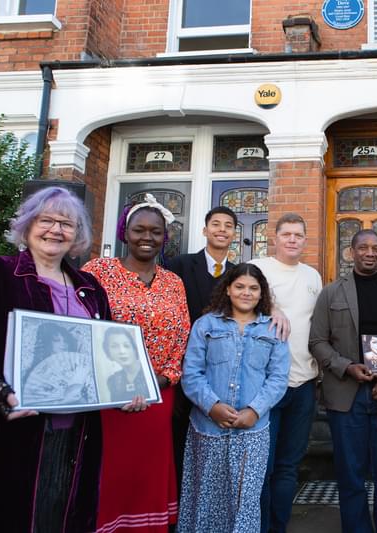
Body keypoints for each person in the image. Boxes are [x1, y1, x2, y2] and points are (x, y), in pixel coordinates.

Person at [0, 186, 111, 532]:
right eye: (46, 220)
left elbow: (104, 354)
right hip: (12, 429)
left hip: (78, 432)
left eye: (66, 223)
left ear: (77, 234)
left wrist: (123, 386)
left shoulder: (90, 287)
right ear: (27, 224)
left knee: (62, 513)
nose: (55, 230)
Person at [83, 194, 190, 533]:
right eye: (139, 230)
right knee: (111, 468)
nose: (147, 237)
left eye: (155, 232)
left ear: (164, 237)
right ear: (124, 233)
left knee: (147, 469)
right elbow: (80, 326)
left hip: (157, 393)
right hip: (108, 394)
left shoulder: (174, 283)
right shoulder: (98, 271)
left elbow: (183, 334)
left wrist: (165, 377)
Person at [309, 229, 377, 533]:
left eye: (376, 248)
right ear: (351, 252)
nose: (370, 253)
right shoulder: (331, 292)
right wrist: (347, 367)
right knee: (351, 476)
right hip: (347, 393)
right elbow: (317, 341)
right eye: (364, 248)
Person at [178, 263, 290, 532]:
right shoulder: (206, 325)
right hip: (208, 429)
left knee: (245, 501)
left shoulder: (273, 329)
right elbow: (191, 373)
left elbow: (277, 378)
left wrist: (254, 410)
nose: (246, 293)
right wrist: (212, 406)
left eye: (253, 288)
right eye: (239, 286)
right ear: (227, 289)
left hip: (253, 431)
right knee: (205, 498)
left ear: (262, 294)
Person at [250, 213, 323, 533]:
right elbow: (239, 301)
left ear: (305, 240)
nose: (293, 240)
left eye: (298, 235)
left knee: (288, 466)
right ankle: (259, 526)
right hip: (265, 384)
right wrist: (270, 306)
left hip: (304, 382)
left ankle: (278, 526)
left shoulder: (312, 276)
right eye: (287, 234)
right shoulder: (258, 268)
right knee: (261, 466)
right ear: (274, 238)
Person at [166, 205, 237, 489]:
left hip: (222, 371)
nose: (222, 229)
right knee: (179, 440)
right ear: (205, 230)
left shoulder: (238, 275)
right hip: (184, 368)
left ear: (234, 233)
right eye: (216, 224)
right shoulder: (179, 266)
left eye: (228, 225)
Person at [22, 322, 97, 406]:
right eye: (56, 340)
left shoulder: (76, 366)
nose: (63, 344)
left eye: (65, 341)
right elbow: (34, 402)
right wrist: (64, 400)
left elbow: (86, 401)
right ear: (47, 343)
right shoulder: (37, 374)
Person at [102, 326, 150, 402]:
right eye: (114, 346)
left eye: (126, 345)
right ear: (108, 352)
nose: (122, 351)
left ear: (135, 348)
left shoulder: (150, 375)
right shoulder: (112, 381)